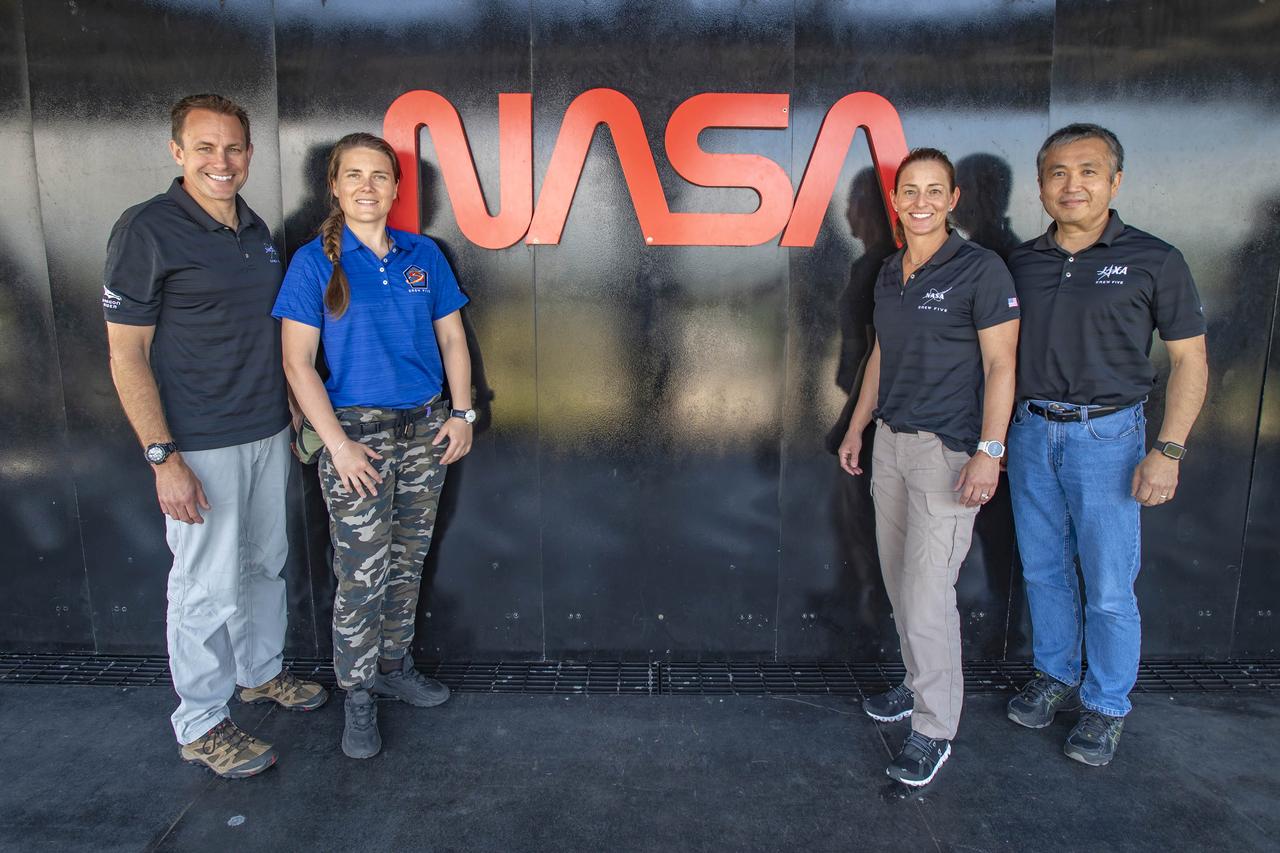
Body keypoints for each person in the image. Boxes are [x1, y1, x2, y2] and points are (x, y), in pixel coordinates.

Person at [103, 93, 327, 780]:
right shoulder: (147, 230)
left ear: (250, 154)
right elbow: (126, 355)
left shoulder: (256, 229)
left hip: (265, 429)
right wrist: (163, 457)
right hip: (197, 442)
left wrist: (289, 405)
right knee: (204, 586)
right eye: (205, 147)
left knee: (263, 564)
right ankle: (200, 721)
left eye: (233, 148)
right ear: (177, 151)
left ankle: (258, 673)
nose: (221, 161)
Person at [1004, 124, 1208, 766]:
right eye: (1058, 174)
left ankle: (1106, 705)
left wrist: (1168, 450)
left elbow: (1191, 362)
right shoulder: (1021, 262)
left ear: (1115, 182)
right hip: (1031, 429)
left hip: (1110, 437)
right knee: (1042, 569)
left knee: (1111, 584)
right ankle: (1055, 675)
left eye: (1089, 171)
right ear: (1041, 186)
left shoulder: (1155, 259)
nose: (1073, 185)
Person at [273, 132, 474, 760]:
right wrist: (338, 447)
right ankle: (357, 694)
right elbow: (297, 364)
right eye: (353, 175)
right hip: (355, 437)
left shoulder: (424, 255)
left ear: (396, 187)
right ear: (333, 186)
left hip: (425, 428)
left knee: (408, 562)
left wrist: (463, 412)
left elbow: (453, 342)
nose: (367, 186)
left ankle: (393, 666)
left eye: (380, 176)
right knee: (362, 573)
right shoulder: (314, 262)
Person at [838, 148, 1020, 786]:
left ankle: (935, 728)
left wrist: (989, 453)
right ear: (896, 199)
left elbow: (1002, 367)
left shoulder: (981, 269)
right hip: (890, 443)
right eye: (908, 190)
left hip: (949, 453)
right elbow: (881, 357)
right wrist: (859, 425)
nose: (920, 201)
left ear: (953, 199)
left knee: (926, 595)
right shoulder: (891, 272)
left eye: (933, 190)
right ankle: (919, 688)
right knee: (897, 582)